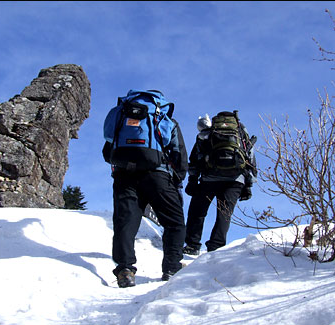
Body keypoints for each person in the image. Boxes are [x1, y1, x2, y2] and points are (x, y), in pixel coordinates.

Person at [103, 90, 188, 288]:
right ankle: (171, 267)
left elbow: (108, 148)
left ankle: (125, 268)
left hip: (124, 175)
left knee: (125, 222)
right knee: (175, 222)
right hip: (158, 175)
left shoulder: (120, 114)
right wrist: (178, 179)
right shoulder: (164, 118)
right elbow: (179, 153)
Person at [183, 111, 257, 255]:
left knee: (197, 211)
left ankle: (192, 245)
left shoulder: (208, 133)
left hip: (209, 178)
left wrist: (192, 180)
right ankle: (216, 247)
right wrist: (248, 185)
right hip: (235, 180)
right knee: (224, 214)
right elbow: (251, 159)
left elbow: (195, 158)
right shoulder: (241, 132)